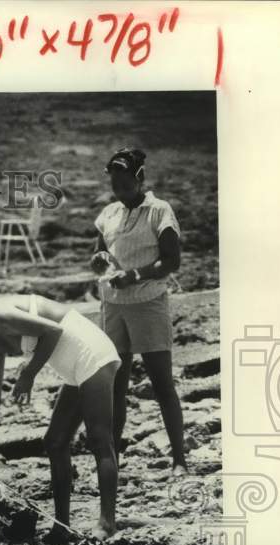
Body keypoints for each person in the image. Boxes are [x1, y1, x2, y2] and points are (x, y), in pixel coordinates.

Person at [0, 291, 121, 542]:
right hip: (72, 366)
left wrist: (28, 375)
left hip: (90, 351)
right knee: (55, 441)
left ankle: (107, 523)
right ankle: (61, 528)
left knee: (99, 439)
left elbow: (53, 330)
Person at [90, 147, 187, 477]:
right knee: (115, 386)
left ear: (140, 178)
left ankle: (179, 459)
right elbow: (100, 254)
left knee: (162, 384)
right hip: (113, 306)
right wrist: (100, 261)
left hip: (147, 304)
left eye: (126, 184)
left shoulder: (159, 211)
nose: (120, 191)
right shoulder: (109, 214)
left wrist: (134, 275)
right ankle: (112, 460)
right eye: (115, 185)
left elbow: (171, 261)